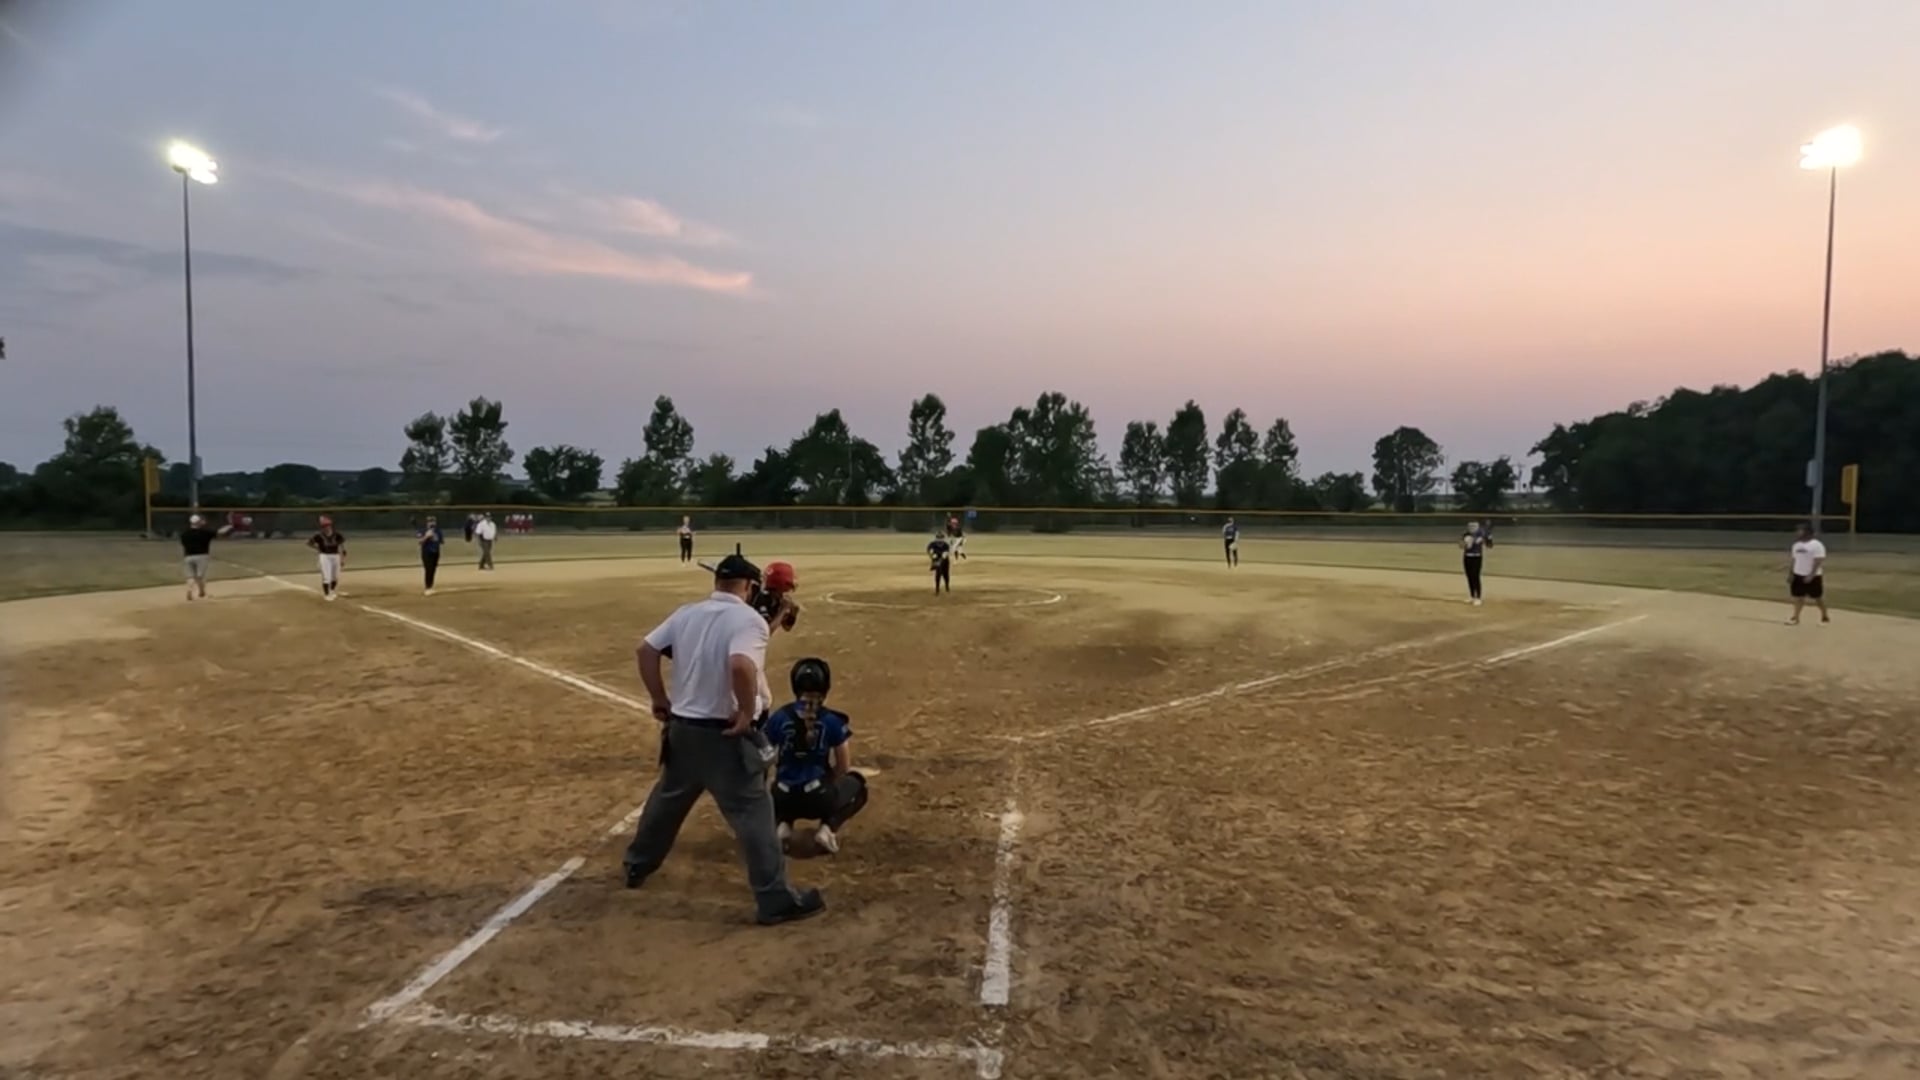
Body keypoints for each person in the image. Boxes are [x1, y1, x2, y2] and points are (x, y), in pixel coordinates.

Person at [623, 553, 826, 925]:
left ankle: (637, 864)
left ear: (718, 583)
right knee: (755, 816)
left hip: (682, 730)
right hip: (726, 736)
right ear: (749, 587)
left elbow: (645, 650)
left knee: (667, 800)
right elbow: (740, 665)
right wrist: (747, 712)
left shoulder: (686, 613)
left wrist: (658, 698)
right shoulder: (748, 620)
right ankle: (775, 900)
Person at [764, 658, 868, 855]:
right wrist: (827, 781)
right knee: (858, 785)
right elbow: (843, 767)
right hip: (818, 798)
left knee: (781, 787)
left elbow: (763, 756)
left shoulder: (779, 717)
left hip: (782, 796)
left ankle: (782, 824)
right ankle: (828, 829)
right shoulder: (832, 721)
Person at [179, 513, 234, 600]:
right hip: (202, 556)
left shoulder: (184, 534)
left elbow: (183, 544)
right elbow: (220, 532)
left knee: (190, 576)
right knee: (200, 576)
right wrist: (229, 526)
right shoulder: (205, 532)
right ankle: (201, 592)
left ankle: (190, 590)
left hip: (188, 556)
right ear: (198, 522)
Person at [1787, 523, 1830, 625]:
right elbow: (1794, 560)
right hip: (1798, 574)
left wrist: (1811, 574)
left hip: (1813, 576)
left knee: (1817, 598)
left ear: (1807, 532)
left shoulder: (1816, 545)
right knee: (1798, 597)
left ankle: (1824, 616)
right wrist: (1791, 574)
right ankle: (1795, 617)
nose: (1798, 533)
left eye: (1800, 530)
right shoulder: (1796, 545)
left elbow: (1818, 560)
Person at [307, 516, 347, 601]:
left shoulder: (337, 534)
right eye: (324, 526)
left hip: (335, 556)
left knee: (335, 576)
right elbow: (309, 543)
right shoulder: (319, 535)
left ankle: (332, 591)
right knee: (326, 576)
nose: (326, 527)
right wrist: (317, 548)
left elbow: (342, 547)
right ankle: (327, 594)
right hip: (325, 556)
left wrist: (343, 559)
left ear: (330, 525)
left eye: (327, 525)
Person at [1461, 520, 1491, 606]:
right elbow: (1460, 545)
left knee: (1475, 576)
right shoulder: (1466, 534)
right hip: (1467, 557)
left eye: (1474, 526)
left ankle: (1478, 597)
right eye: (1470, 526)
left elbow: (1489, 545)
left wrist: (1487, 539)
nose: (1472, 528)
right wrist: (1466, 543)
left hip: (1477, 557)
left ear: (1477, 527)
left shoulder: (1481, 534)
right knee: (1469, 576)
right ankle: (1472, 596)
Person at [417, 515, 444, 596]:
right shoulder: (422, 530)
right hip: (427, 553)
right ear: (427, 523)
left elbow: (441, 542)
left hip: (436, 553)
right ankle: (427, 587)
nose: (432, 523)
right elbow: (420, 542)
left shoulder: (438, 531)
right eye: (430, 522)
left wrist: (435, 536)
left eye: (433, 521)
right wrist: (426, 536)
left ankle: (431, 586)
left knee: (433, 570)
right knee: (428, 569)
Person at [928, 530, 953, 594]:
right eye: (938, 537)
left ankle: (947, 587)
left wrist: (940, 561)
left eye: (941, 538)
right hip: (936, 560)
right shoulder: (932, 544)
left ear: (943, 538)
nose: (939, 539)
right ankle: (937, 589)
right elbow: (930, 551)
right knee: (938, 574)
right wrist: (932, 556)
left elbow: (945, 555)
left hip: (945, 561)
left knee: (946, 574)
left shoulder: (946, 545)